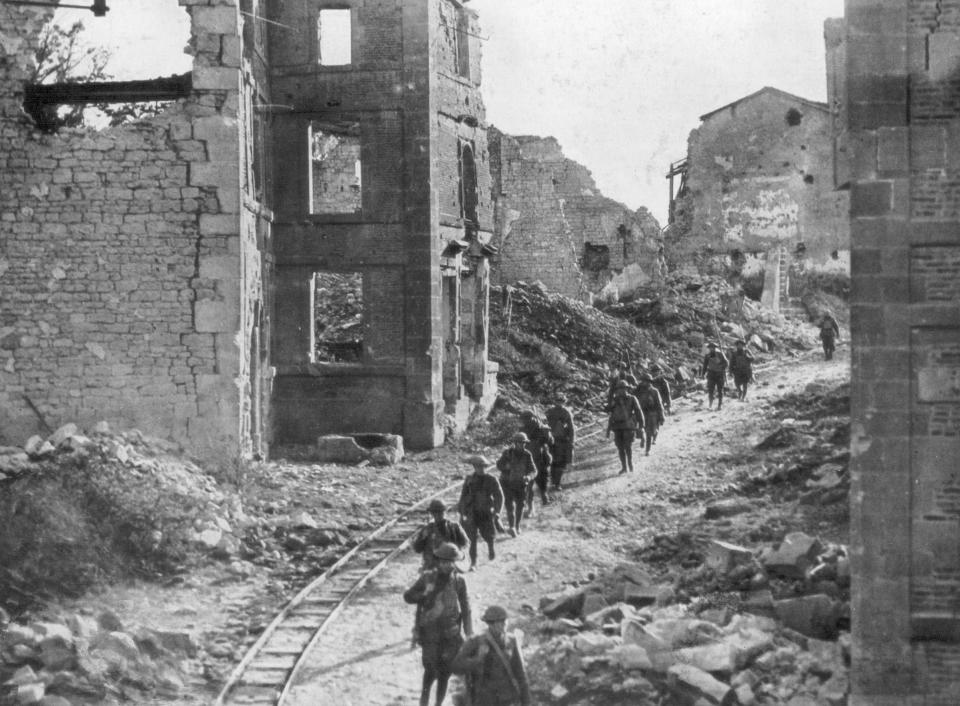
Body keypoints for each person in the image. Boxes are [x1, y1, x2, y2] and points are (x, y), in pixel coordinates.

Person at [404, 542, 473, 706]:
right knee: (430, 672)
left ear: (455, 562)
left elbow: (466, 608)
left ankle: (438, 704)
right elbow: (408, 597)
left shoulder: (459, 581)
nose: (446, 565)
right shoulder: (427, 578)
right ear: (438, 561)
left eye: (450, 562)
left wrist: (469, 633)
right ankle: (424, 702)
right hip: (431, 634)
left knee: (445, 673)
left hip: (451, 634)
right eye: (443, 561)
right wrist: (424, 593)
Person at [451, 605, 530, 706]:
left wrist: (526, 702)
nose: (504, 624)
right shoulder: (476, 641)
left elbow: (521, 674)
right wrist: (477, 659)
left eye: (505, 621)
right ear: (490, 624)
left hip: (507, 699)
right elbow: (456, 667)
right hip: (484, 699)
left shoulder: (511, 641)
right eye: (500, 622)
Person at [458, 455, 504, 571]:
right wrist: (462, 512)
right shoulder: (469, 479)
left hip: (486, 512)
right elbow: (463, 497)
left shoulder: (491, 479)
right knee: (472, 539)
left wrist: (497, 512)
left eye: (483, 467)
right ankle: (473, 562)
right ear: (474, 467)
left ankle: (491, 549)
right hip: (472, 513)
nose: (480, 469)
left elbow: (499, 496)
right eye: (478, 467)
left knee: (489, 535)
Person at [495, 433, 537, 536]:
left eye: (523, 443)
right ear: (515, 443)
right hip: (507, 483)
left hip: (520, 484)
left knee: (520, 505)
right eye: (519, 443)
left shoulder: (527, 455)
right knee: (509, 506)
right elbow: (499, 465)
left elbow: (534, 470)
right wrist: (506, 467)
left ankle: (517, 526)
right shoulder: (507, 453)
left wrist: (528, 477)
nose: (521, 445)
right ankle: (512, 526)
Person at [413, 499, 469, 571]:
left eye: (440, 512)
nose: (438, 515)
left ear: (445, 512)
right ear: (432, 514)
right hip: (431, 566)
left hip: (451, 565)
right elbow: (417, 549)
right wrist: (422, 538)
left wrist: (455, 551)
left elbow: (465, 543)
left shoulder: (454, 527)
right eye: (435, 513)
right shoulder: (427, 529)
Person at [605, 379, 644, 474]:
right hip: (617, 427)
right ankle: (624, 467)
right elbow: (609, 411)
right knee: (620, 448)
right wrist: (609, 400)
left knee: (628, 446)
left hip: (628, 426)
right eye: (619, 389)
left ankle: (630, 464)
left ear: (627, 389)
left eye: (624, 388)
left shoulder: (632, 398)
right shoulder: (614, 400)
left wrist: (641, 425)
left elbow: (638, 411)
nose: (621, 391)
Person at [518, 410, 553, 510]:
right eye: (524, 418)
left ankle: (544, 496)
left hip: (539, 456)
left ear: (532, 418)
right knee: (528, 481)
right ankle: (530, 504)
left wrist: (547, 434)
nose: (525, 420)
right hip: (528, 456)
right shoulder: (522, 429)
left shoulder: (540, 427)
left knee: (542, 478)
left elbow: (550, 441)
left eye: (527, 418)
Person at [544, 394, 576, 491]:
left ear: (564, 402)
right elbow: (545, 424)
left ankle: (557, 483)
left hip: (562, 440)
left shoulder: (566, 413)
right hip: (551, 441)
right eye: (558, 401)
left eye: (561, 401)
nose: (559, 403)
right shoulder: (550, 412)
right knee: (552, 462)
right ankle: (553, 481)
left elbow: (571, 428)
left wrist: (571, 441)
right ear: (555, 401)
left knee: (561, 462)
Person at [634, 374, 665, 456]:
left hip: (652, 414)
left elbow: (659, 404)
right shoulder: (639, 390)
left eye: (646, 381)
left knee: (649, 432)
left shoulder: (654, 391)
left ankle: (647, 449)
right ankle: (642, 438)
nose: (644, 383)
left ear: (649, 382)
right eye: (643, 381)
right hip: (642, 413)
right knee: (640, 429)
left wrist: (662, 416)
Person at [699, 342, 729, 410]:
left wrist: (721, 366)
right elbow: (705, 366)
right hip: (711, 374)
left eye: (713, 348)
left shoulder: (720, 354)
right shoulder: (707, 356)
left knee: (720, 390)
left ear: (715, 348)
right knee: (710, 390)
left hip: (719, 374)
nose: (711, 349)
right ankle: (710, 405)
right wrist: (703, 374)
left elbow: (726, 363)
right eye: (710, 348)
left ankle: (719, 405)